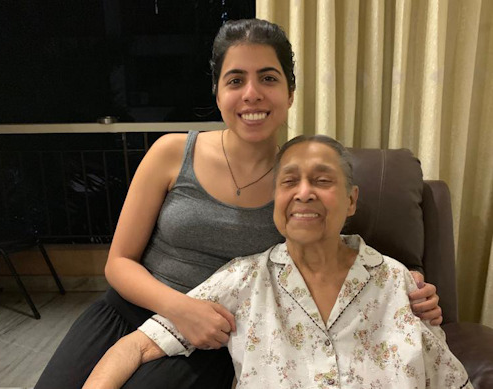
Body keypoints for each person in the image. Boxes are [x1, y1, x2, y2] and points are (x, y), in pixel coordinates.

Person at [35, 19, 442, 389]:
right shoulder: (172, 153)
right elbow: (118, 261)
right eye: (235, 80)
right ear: (217, 92)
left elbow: (338, 250)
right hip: (126, 313)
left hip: (211, 339)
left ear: (290, 92)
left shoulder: (295, 184)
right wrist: (181, 308)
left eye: (267, 77)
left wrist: (411, 288)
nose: (252, 94)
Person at [82, 134, 471, 389]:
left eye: (322, 180)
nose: (304, 193)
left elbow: (449, 379)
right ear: (275, 203)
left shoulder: (398, 282)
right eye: (289, 182)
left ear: (352, 200)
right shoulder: (242, 280)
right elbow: (132, 348)